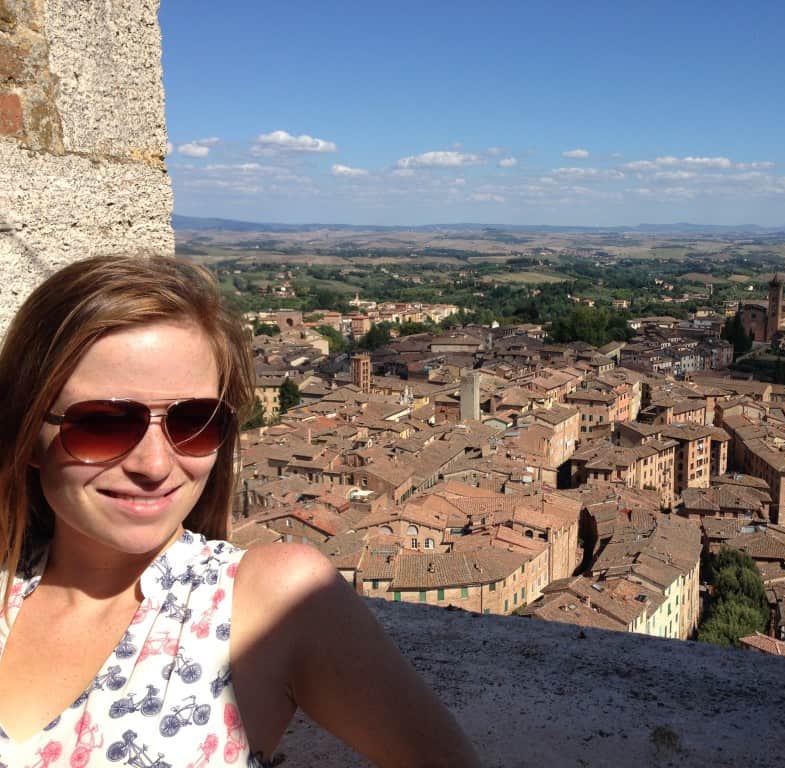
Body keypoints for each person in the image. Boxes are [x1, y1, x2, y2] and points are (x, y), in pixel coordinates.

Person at [0, 255, 480, 767]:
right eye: (102, 424)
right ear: (28, 433)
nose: (156, 464)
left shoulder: (272, 600)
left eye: (195, 421)